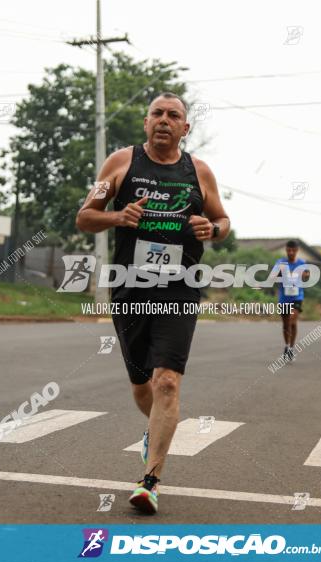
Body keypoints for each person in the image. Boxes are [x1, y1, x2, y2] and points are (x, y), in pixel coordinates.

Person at [75, 92, 231, 515]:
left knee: (167, 382)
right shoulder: (120, 164)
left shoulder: (199, 172)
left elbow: (223, 221)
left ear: (186, 128)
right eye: (157, 114)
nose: (164, 120)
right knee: (142, 383)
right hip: (129, 287)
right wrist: (117, 216)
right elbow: (85, 215)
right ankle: (153, 428)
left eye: (173, 115)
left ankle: (150, 480)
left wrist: (210, 229)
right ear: (146, 123)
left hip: (179, 287)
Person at [275, 241, 310, 363]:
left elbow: (307, 276)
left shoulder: (302, 263)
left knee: (292, 320)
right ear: (286, 250)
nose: (290, 252)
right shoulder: (280, 262)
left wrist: (305, 275)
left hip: (297, 297)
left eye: (293, 250)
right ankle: (287, 346)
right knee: (286, 324)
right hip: (284, 298)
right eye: (288, 250)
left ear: (297, 250)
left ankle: (291, 347)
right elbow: (273, 276)